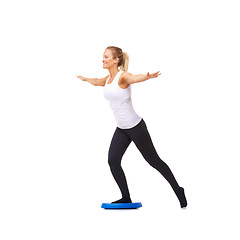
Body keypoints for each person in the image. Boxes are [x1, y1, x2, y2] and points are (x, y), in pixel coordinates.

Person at [77, 46, 187, 208]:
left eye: (106, 57)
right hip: (121, 129)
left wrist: (147, 77)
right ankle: (126, 197)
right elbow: (97, 82)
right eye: (103, 56)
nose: (103, 59)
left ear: (116, 60)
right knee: (113, 161)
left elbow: (135, 78)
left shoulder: (123, 77)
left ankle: (178, 190)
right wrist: (86, 79)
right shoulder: (108, 79)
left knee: (153, 161)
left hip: (136, 127)